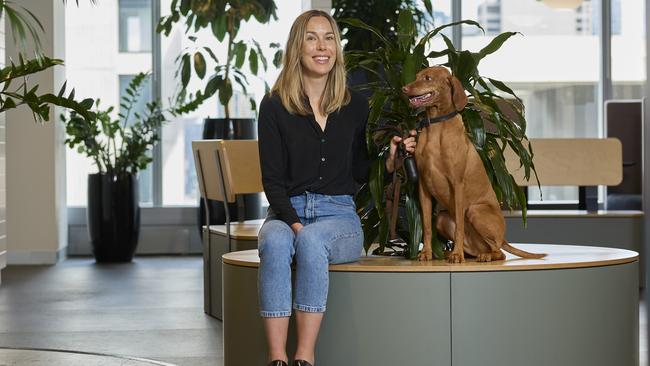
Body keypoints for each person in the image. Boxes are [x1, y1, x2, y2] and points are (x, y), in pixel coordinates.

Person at [257, 9, 416, 366]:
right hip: (287, 211)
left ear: (337, 48)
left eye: (329, 38)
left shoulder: (356, 105)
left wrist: (390, 162)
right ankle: (276, 358)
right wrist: (295, 224)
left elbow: (360, 171)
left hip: (338, 216)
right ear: (298, 47)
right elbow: (272, 181)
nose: (322, 46)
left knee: (312, 241)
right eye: (312, 38)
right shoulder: (274, 105)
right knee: (274, 240)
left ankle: (304, 357)